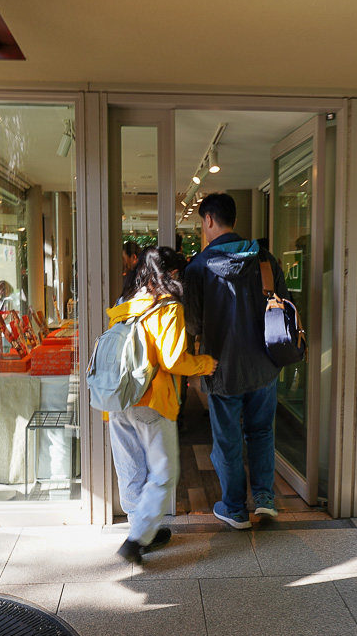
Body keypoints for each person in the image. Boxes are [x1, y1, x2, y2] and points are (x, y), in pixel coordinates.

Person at [183, 193, 291, 530]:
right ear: (233, 220)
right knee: (261, 433)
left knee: (228, 439)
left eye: (203, 222)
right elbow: (283, 305)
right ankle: (264, 499)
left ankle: (234, 508)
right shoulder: (264, 259)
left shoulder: (198, 267)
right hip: (264, 364)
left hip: (221, 367)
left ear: (210, 221)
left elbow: (192, 324)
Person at [107, 246, 217, 563]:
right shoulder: (167, 307)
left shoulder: (124, 302)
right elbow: (173, 359)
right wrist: (205, 364)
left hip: (117, 399)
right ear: (170, 274)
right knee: (164, 472)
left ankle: (141, 533)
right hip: (151, 401)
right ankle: (137, 538)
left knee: (131, 470)